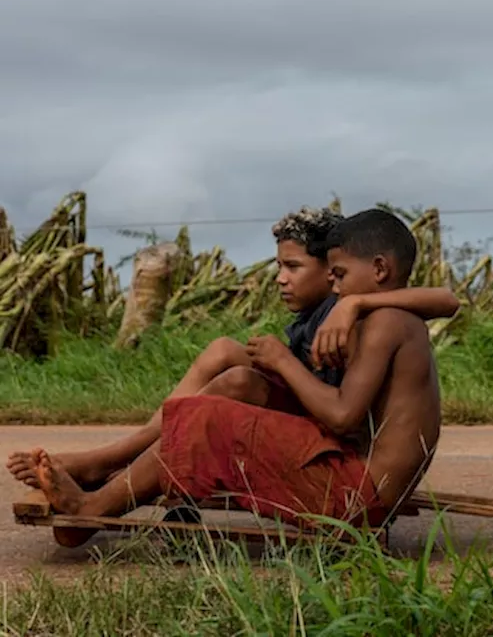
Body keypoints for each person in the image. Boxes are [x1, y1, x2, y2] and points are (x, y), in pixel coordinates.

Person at [27, 207, 446, 548]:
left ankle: (94, 507)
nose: (336, 289)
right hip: (361, 485)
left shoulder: (386, 322)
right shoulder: (388, 316)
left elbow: (342, 417)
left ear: (379, 269)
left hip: (360, 498)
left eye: (338, 275)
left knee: (209, 418)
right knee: (216, 403)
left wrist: (284, 361)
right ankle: (108, 487)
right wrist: (350, 308)